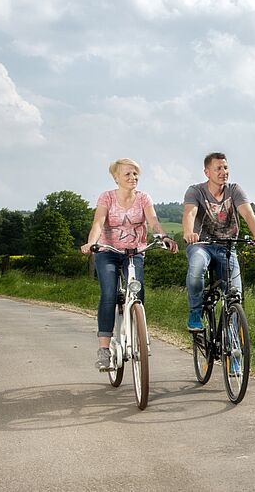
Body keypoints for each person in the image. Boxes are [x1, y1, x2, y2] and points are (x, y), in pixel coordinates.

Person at [81, 158, 178, 371]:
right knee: (108, 294)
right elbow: (98, 222)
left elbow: (153, 222)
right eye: (127, 174)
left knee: (138, 290)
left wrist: (163, 237)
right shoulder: (106, 197)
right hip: (108, 252)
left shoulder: (143, 198)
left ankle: (138, 334)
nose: (133, 178)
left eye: (135, 174)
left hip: (134, 252)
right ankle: (104, 350)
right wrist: (92, 242)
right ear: (116, 178)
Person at [182, 152, 255, 332]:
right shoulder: (195, 191)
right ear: (207, 172)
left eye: (226, 167)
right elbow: (190, 213)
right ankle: (195, 312)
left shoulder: (234, 190)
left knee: (235, 297)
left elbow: (247, 214)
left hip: (227, 247)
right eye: (218, 168)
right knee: (196, 268)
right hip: (201, 245)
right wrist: (189, 232)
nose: (223, 172)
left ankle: (234, 353)